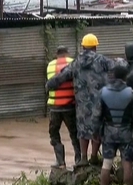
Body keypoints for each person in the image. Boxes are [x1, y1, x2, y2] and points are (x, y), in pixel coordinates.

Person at [47, 33, 113, 167]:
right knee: (97, 128)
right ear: (95, 47)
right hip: (99, 101)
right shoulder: (103, 60)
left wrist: (49, 85)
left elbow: (62, 76)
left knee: (82, 130)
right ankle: (94, 157)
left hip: (82, 103)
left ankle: (83, 157)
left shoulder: (76, 62)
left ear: (82, 46)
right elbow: (118, 67)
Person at [99, 60, 133, 185]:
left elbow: (97, 115)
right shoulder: (131, 93)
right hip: (126, 132)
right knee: (127, 163)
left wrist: (96, 132)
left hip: (108, 132)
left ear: (113, 76)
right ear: (125, 77)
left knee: (106, 163)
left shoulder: (103, 92)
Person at [46, 46, 81, 168]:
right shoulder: (73, 62)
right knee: (75, 133)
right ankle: (79, 160)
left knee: (54, 133)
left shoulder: (50, 65)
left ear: (57, 54)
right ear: (67, 53)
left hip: (55, 107)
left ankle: (60, 162)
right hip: (70, 106)